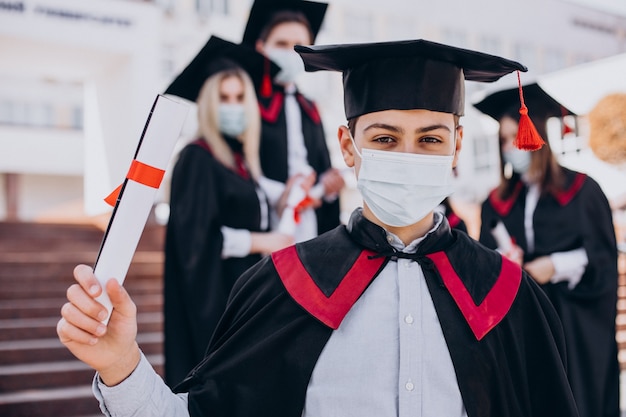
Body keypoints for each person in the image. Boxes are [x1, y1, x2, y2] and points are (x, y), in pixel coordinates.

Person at [57, 39, 580, 417]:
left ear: (457, 148)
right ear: (348, 147)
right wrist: (122, 364)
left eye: (430, 139)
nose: (408, 155)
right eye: (385, 138)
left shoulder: (510, 297)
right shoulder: (281, 285)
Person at [475, 82, 620, 417]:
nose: (510, 147)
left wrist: (555, 266)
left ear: (536, 137)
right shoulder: (496, 203)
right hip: (523, 325)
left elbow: (602, 257)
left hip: (574, 324)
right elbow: (482, 265)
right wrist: (502, 264)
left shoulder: (584, 191)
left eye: (515, 137)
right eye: (503, 140)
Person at [161, 36, 294, 387]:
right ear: (207, 104)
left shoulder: (238, 162)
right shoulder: (196, 158)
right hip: (217, 308)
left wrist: (279, 203)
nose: (233, 106)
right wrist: (263, 241)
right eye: (223, 98)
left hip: (245, 304)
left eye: (239, 98)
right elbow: (195, 242)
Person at [242, 0, 345, 242]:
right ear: (261, 47)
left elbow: (322, 171)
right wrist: (286, 195)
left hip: (308, 231)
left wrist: (328, 187)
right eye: (281, 44)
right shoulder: (246, 105)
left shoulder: (310, 109)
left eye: (299, 47)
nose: (291, 53)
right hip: (265, 231)